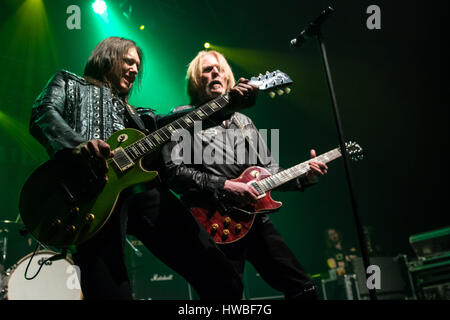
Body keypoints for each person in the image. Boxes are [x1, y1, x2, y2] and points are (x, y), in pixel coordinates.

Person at [29, 37, 256, 300]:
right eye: (128, 62)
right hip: (92, 198)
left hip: (143, 192)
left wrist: (226, 105)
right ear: (107, 58)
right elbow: (43, 113)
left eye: (137, 65)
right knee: (110, 290)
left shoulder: (142, 116)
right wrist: (78, 146)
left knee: (222, 280)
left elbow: (180, 121)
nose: (135, 70)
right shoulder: (69, 83)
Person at [161, 50, 329, 300]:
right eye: (207, 70)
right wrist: (226, 185)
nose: (215, 72)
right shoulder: (183, 118)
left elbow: (270, 171)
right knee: (226, 299)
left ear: (228, 78)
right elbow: (173, 173)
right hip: (211, 223)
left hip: (254, 219)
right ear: (196, 80)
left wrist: (305, 176)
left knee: (304, 290)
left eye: (219, 69)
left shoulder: (243, 121)